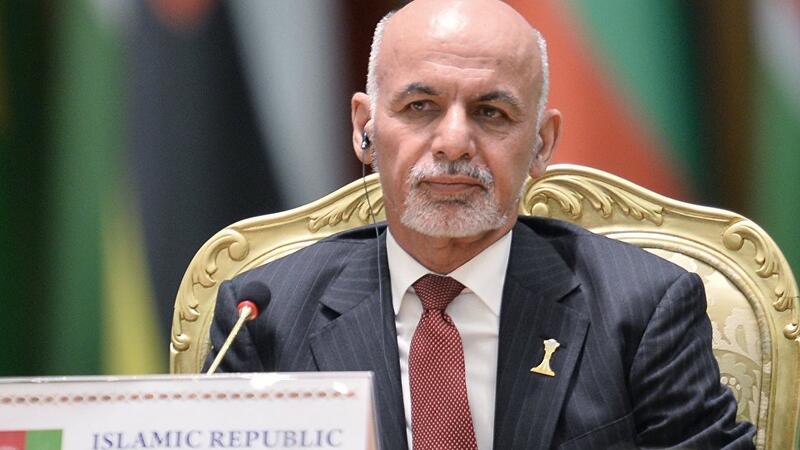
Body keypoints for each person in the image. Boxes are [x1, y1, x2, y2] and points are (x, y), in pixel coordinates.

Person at [207, 0, 755, 448]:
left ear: (540, 144)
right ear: (364, 129)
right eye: (420, 106)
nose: (453, 143)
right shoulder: (265, 316)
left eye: (491, 113)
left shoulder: (641, 309)